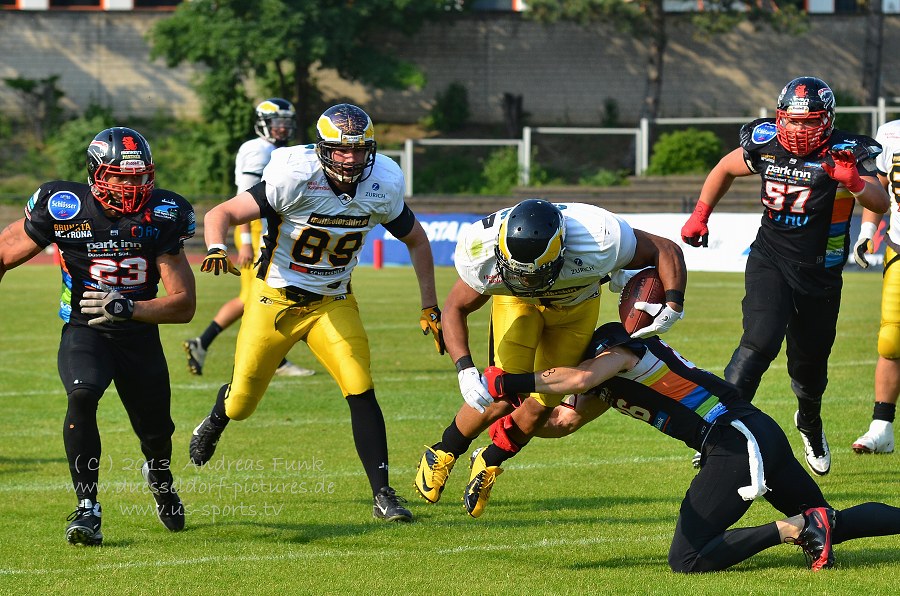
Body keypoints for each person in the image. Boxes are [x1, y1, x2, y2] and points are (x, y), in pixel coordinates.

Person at [187, 103, 444, 522]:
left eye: (359, 150)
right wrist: (217, 245)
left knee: (360, 385)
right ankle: (217, 418)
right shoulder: (294, 174)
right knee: (242, 404)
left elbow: (416, 239)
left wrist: (429, 303)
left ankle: (383, 494)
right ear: (322, 148)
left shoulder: (383, 181)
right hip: (275, 301)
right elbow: (222, 213)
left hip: (332, 301)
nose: (351, 159)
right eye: (341, 149)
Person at [482, 321, 900, 572]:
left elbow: (577, 379)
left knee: (688, 559)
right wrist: (518, 422)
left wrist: (510, 381)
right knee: (831, 522)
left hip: (733, 440)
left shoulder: (618, 349)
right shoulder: (604, 380)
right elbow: (564, 421)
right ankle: (813, 523)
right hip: (753, 431)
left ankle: (794, 528)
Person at [414, 199, 686, 517]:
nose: (526, 281)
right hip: (517, 305)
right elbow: (455, 307)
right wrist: (464, 369)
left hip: (576, 308)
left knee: (546, 400)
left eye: (534, 274)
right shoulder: (480, 250)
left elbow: (665, 249)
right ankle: (443, 451)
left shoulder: (600, 238)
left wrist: (673, 303)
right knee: (502, 392)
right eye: (518, 273)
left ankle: (490, 460)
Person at [680, 76, 890, 476]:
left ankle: (809, 421)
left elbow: (881, 201)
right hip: (770, 259)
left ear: (826, 120)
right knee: (758, 342)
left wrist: (854, 183)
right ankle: (719, 432)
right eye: (791, 120)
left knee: (808, 371)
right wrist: (700, 214)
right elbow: (724, 168)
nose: (797, 129)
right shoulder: (766, 141)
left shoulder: (848, 150)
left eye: (807, 121)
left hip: (820, 272)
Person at [0, 127, 196, 545]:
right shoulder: (64, 206)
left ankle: (159, 474)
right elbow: (3, 253)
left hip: (137, 333)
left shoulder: (163, 214)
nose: (131, 185)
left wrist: (130, 308)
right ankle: (87, 507)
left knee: (156, 432)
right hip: (84, 328)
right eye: (121, 176)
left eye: (139, 176)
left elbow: (183, 305)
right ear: (95, 174)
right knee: (82, 395)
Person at [183, 98, 315, 378]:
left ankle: (201, 344)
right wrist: (244, 241)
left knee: (251, 297)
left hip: (267, 231)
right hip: (257, 232)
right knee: (263, 295)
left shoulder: (277, 150)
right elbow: (244, 199)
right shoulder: (258, 149)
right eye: (277, 122)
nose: (283, 128)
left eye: (286, 122)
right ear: (263, 123)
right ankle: (274, 360)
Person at [849, 118, 900, 454]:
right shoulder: (891, 132)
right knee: (891, 339)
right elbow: (879, 187)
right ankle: (882, 427)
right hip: (899, 247)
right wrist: (867, 232)